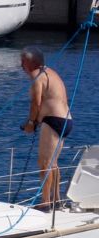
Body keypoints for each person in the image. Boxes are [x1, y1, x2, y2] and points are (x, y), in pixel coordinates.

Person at [20, 46, 73, 210]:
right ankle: (56, 200)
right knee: (53, 163)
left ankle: (45, 202)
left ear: (28, 63)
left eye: (22, 62)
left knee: (45, 163)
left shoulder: (37, 76)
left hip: (53, 120)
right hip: (66, 120)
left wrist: (30, 123)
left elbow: (35, 103)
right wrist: (34, 121)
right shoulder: (51, 72)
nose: (21, 66)